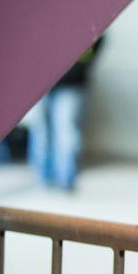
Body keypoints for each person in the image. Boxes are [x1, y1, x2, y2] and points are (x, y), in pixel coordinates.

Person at [27, 39, 102, 190]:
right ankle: (43, 178)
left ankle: (66, 179)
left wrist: (79, 69)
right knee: (41, 129)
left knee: (66, 130)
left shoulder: (84, 23)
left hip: (71, 83)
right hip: (41, 79)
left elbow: (94, 45)